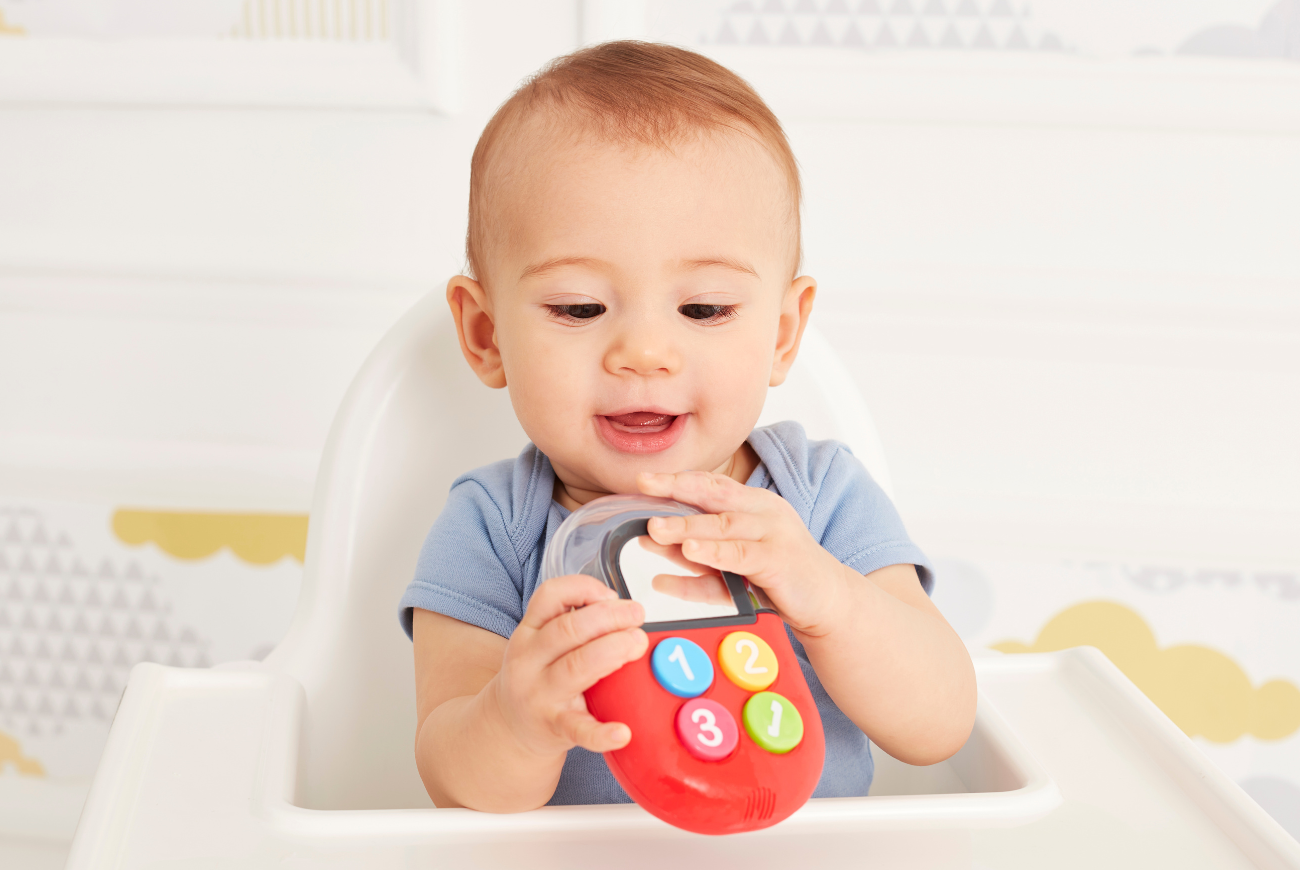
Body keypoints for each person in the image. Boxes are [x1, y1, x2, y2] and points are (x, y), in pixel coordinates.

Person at [399, 40, 976, 813]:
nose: (644, 353)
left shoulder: (819, 499)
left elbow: (940, 722)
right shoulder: (492, 527)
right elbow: (454, 784)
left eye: (703, 309)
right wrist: (513, 719)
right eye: (579, 308)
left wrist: (830, 600)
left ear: (780, 334)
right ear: (485, 334)